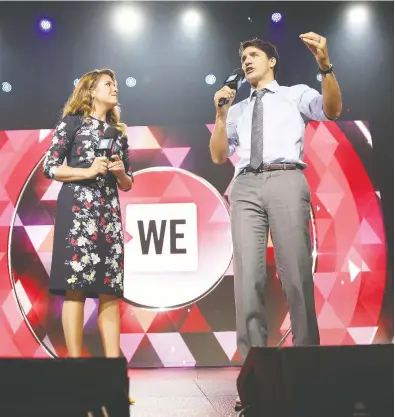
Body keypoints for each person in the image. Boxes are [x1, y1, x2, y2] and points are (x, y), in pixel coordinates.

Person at [210, 34, 342, 410]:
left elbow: (331, 110)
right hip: (245, 185)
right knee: (247, 282)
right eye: (242, 56)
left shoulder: (295, 94)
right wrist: (220, 114)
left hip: (285, 177)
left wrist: (325, 66)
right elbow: (219, 156)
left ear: (271, 61)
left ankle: (307, 375)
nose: (246, 60)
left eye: (253, 54)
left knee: (296, 275)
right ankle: (255, 383)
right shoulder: (235, 108)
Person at [43, 69, 135, 404]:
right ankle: (76, 371)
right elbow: (50, 167)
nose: (115, 88)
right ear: (90, 91)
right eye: (109, 84)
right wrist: (87, 171)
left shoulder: (118, 132)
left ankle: (115, 379)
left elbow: (127, 183)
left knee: (110, 291)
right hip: (78, 213)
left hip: (108, 214)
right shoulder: (71, 123)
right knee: (76, 288)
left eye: (116, 85)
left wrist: (121, 172)